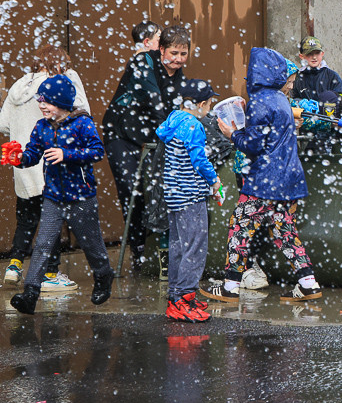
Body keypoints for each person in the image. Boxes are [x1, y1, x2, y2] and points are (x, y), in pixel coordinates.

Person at [208, 48, 321, 304]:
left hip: (263, 181)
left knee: (239, 228)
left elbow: (253, 145)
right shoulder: (281, 99)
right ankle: (307, 282)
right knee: (284, 231)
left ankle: (230, 286)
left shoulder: (261, 100)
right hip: (286, 179)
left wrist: (232, 134)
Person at [6, 75, 113, 315]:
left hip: (81, 198)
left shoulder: (82, 124)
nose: (41, 105)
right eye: (40, 100)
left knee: (91, 244)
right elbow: (33, 153)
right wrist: (20, 159)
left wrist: (67, 154)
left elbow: (97, 152)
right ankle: (30, 294)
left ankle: (104, 275)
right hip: (53, 197)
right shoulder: (42, 126)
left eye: (47, 101)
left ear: (62, 103)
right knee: (43, 244)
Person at [1, 45, 89, 291]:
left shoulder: (20, 85)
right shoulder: (61, 83)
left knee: (26, 219)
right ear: (61, 63)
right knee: (51, 220)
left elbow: (3, 124)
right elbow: (83, 113)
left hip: (24, 164)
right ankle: (50, 274)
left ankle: (14, 265)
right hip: (50, 161)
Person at [103, 24, 190, 273]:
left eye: (183, 54)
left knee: (155, 189)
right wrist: (172, 128)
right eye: (173, 53)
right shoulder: (143, 61)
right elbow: (155, 102)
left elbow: (175, 101)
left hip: (146, 134)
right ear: (161, 48)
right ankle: (138, 249)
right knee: (132, 191)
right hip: (121, 133)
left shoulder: (175, 70)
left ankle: (156, 250)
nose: (178, 59)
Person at [156, 79, 222, 323]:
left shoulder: (173, 118)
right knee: (195, 247)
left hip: (173, 194)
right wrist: (214, 181)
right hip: (191, 195)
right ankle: (184, 297)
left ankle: (176, 295)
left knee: (178, 246)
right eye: (209, 103)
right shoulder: (193, 125)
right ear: (201, 104)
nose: (210, 108)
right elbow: (199, 160)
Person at [292, 36, 342, 103]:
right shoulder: (297, 77)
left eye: (317, 53)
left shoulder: (332, 76)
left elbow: (340, 102)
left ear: (322, 54)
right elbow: (293, 99)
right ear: (301, 56)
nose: (314, 57)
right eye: (309, 53)